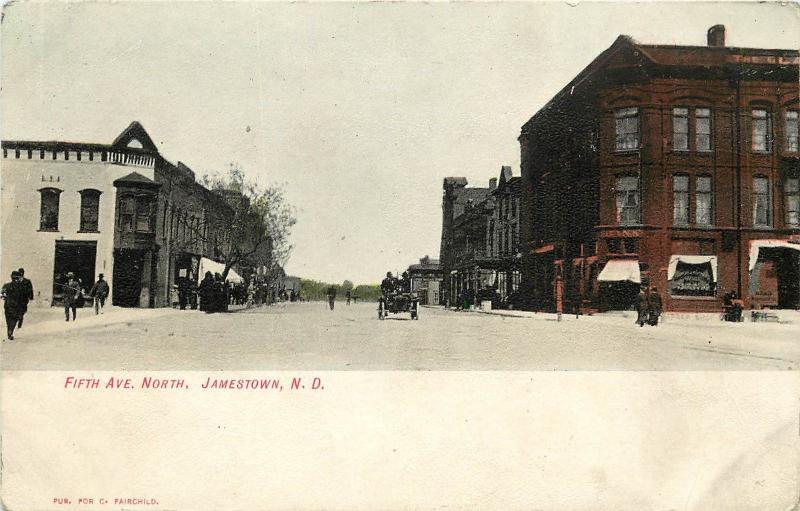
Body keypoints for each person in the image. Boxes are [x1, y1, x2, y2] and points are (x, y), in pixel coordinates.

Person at [2, 271, 24, 340]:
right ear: (17, 278)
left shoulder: (6, 285)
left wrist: (7, 298)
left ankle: (9, 331)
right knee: (14, 319)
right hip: (16, 306)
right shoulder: (20, 287)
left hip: (7, 305)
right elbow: (23, 297)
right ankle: (10, 331)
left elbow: (2, 296)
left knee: (8, 319)